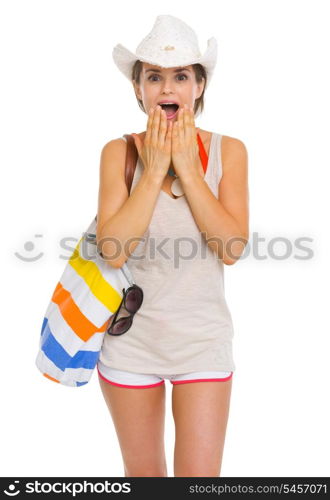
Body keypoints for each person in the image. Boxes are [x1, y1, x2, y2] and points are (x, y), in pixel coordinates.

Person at [96, 15, 249, 477]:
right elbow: (113, 251)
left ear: (199, 86)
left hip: (202, 344)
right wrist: (156, 161)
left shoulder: (230, 151)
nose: (168, 88)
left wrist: (186, 164)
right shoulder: (117, 153)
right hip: (130, 347)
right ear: (139, 88)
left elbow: (231, 248)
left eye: (181, 76)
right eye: (155, 77)